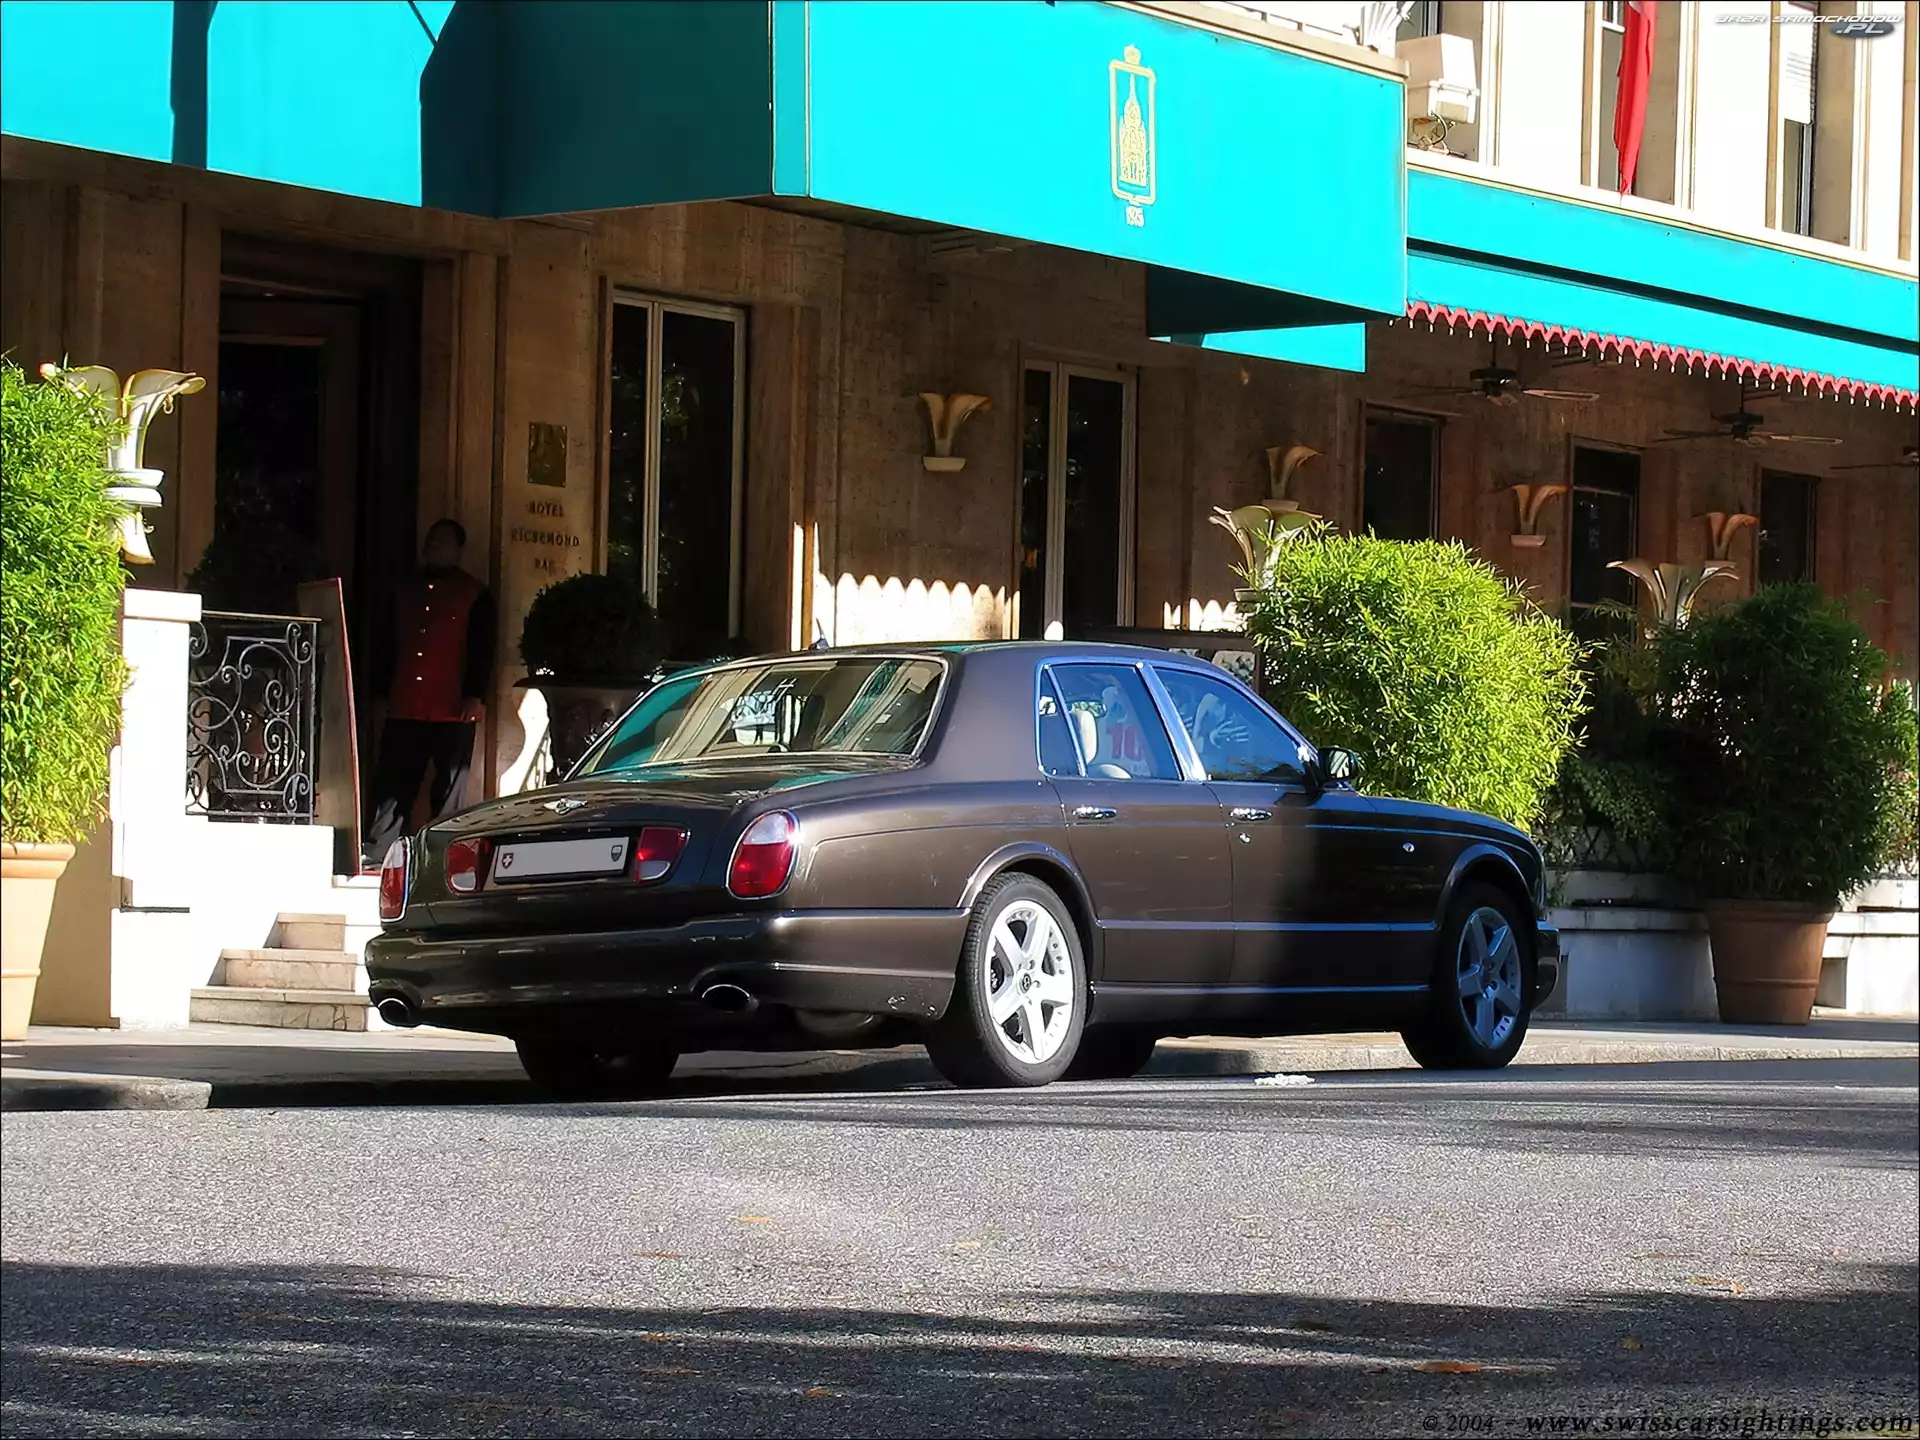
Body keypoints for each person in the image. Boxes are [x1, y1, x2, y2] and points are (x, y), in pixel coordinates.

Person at [361, 519, 495, 869]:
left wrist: (475, 695)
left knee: (450, 788)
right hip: (406, 702)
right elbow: (387, 646)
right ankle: (377, 850)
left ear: (458, 549)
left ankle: (441, 854)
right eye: (431, 539)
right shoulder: (403, 590)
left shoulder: (475, 593)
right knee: (394, 782)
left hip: (453, 706)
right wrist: (381, 693)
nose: (434, 545)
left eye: (443, 540)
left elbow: (482, 650)